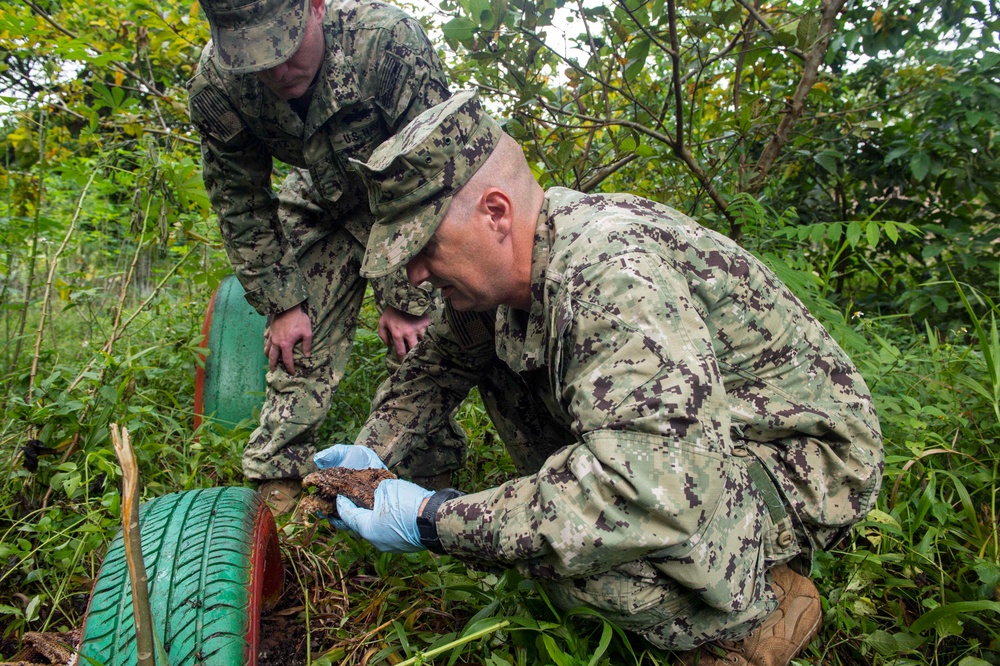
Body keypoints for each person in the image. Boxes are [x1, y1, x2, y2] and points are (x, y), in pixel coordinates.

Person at [314, 90, 884, 664]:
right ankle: (714, 558)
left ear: (495, 213)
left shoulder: (610, 275)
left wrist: (433, 519)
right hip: (691, 442)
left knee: (583, 568)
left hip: (799, 456)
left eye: (423, 246)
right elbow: (434, 371)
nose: (413, 275)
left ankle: (757, 610)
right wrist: (366, 463)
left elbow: (642, 494)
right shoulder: (507, 278)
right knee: (521, 441)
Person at [187, 0, 467, 513]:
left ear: (315, 6)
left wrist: (404, 298)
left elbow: (432, 174)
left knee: (419, 343)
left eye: (283, 46)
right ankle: (279, 484)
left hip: (400, 200)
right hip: (317, 194)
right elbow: (239, 201)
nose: (274, 69)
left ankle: (426, 476)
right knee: (297, 341)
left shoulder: (385, 42)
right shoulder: (216, 85)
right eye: (253, 56)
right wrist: (282, 303)